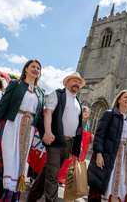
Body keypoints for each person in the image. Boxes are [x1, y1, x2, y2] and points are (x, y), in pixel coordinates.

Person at [0, 60, 45, 202]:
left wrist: (46, 135)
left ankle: (10, 197)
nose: (36, 69)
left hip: (28, 131)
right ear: (26, 69)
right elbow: (2, 105)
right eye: (33, 67)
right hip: (11, 126)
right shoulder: (15, 85)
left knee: (19, 164)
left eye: (38, 68)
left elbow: (40, 116)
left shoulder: (40, 92)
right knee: (5, 160)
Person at [27, 72, 85, 202]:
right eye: (74, 80)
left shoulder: (78, 102)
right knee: (53, 175)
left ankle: (31, 197)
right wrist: (48, 132)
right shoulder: (57, 94)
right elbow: (48, 112)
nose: (77, 83)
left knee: (47, 172)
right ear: (67, 82)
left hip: (68, 143)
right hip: (55, 139)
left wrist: (77, 147)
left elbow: (78, 127)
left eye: (79, 82)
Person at [87, 90, 127, 202]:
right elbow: (99, 135)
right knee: (103, 184)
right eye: (125, 97)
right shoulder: (109, 114)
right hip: (110, 154)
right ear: (119, 100)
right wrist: (98, 153)